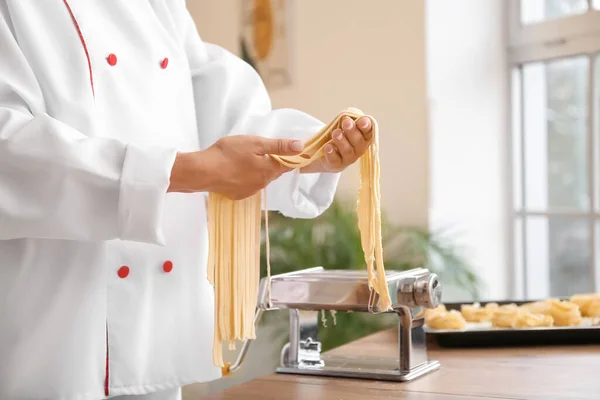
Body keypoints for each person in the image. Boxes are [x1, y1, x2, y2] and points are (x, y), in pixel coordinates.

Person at [0, 1, 374, 399]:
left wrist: (303, 151)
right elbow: (11, 150)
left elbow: (211, 96)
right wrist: (187, 172)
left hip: (157, 323)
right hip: (57, 332)